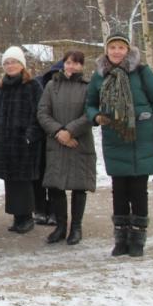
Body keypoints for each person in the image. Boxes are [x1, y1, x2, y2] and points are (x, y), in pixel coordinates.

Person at [86, 33, 153, 257]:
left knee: (138, 190)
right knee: (119, 191)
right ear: (106, 50)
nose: (116, 51)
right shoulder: (99, 76)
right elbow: (90, 104)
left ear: (128, 50)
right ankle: (121, 239)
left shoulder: (143, 73)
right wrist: (96, 117)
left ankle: (138, 240)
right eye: (112, 47)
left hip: (142, 138)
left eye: (120, 48)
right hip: (114, 139)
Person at [37, 50, 96, 245]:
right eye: (69, 62)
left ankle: (76, 227)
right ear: (63, 64)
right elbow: (43, 113)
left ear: (82, 66)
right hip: (56, 142)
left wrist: (70, 131)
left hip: (79, 142)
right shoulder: (52, 86)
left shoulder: (89, 87)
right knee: (56, 187)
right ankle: (60, 226)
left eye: (76, 63)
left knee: (79, 187)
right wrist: (59, 132)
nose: (72, 66)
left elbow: (90, 114)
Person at [0, 46, 44, 234]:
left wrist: (31, 135)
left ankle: (27, 217)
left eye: (14, 62)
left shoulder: (32, 86)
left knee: (24, 182)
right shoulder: (1, 87)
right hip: (5, 142)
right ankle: (17, 217)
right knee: (11, 182)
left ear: (22, 64)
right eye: (6, 63)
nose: (10, 65)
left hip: (25, 142)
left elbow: (40, 112)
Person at [33, 59, 64, 227]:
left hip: (59, 136)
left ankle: (54, 210)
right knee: (37, 175)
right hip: (39, 135)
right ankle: (39, 208)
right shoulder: (38, 85)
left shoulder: (70, 88)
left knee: (54, 175)